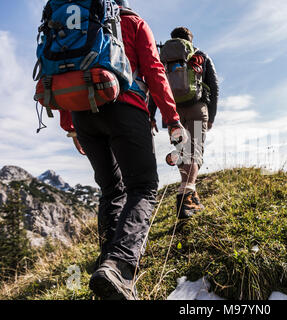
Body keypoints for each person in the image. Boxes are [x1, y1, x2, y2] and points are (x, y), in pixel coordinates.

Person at [59, 0, 186, 300]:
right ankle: (120, 267)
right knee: (143, 187)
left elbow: (64, 72)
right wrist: (172, 119)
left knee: (111, 190)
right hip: (125, 107)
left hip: (82, 114)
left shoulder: (75, 24)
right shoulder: (133, 22)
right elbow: (155, 70)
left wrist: (71, 126)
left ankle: (107, 267)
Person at [151, 27, 219, 219]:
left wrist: (151, 114)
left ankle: (190, 193)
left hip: (172, 113)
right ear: (190, 39)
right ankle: (186, 198)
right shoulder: (200, 55)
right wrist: (211, 115)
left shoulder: (162, 58)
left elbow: (155, 85)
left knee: (182, 152)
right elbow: (213, 87)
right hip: (197, 109)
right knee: (195, 152)